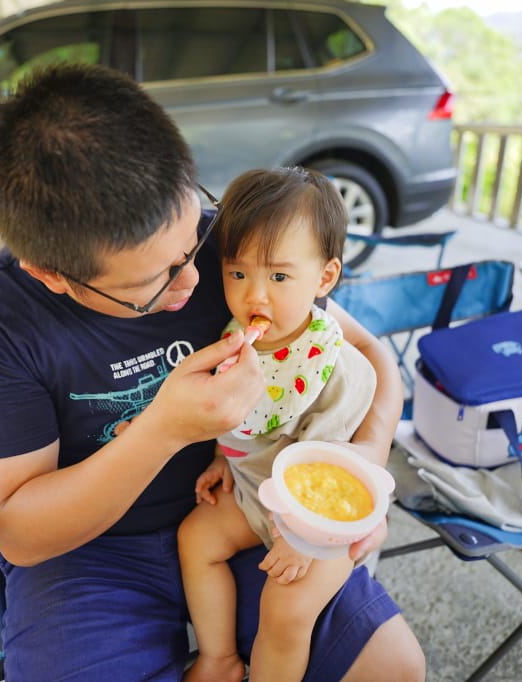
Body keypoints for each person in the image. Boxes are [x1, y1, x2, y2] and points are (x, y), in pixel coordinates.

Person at [0, 61, 425, 681]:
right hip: (90, 559)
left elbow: (369, 353)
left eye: (192, 247)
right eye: (155, 282)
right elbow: (21, 534)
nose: (194, 281)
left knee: (393, 668)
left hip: (253, 504)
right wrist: (165, 429)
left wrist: (363, 471)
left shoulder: (232, 243)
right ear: (51, 275)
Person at [178, 166, 379, 682]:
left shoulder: (333, 363)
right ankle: (219, 658)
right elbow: (233, 411)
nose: (255, 296)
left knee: (285, 611)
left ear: (325, 279)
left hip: (320, 517)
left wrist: (302, 533)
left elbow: (328, 468)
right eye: (237, 274)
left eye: (279, 277)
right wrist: (222, 457)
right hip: (252, 492)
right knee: (195, 540)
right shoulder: (237, 339)